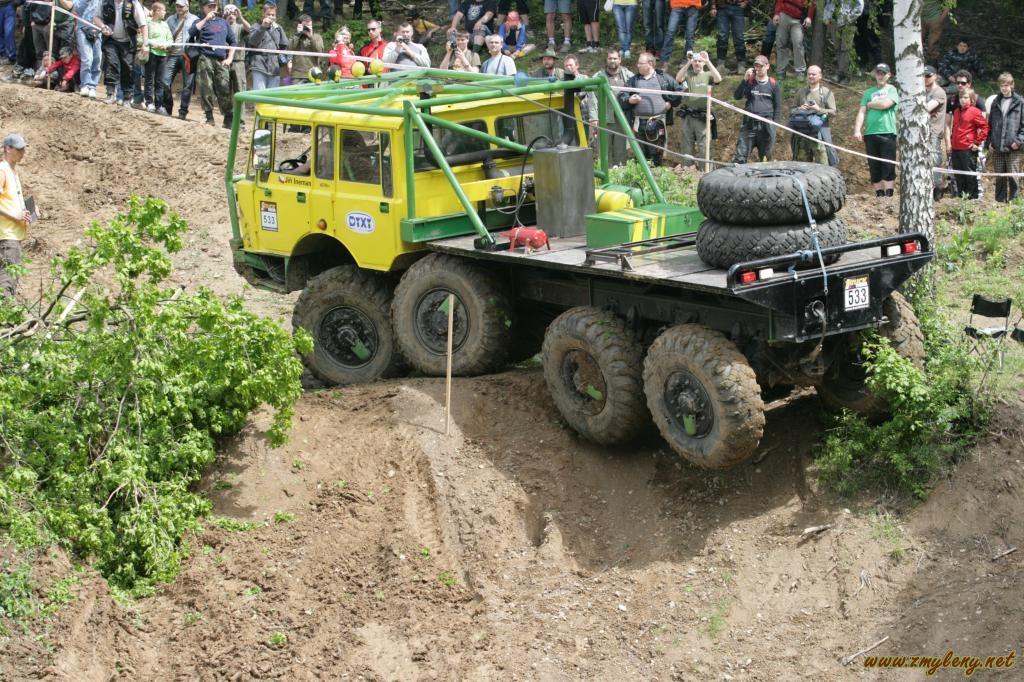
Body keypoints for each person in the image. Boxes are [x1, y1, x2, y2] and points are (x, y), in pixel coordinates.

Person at [618, 52, 680, 166]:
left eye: (640, 63)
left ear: (650, 63)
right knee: (640, 155)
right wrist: (629, 100)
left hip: (658, 122)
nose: (637, 65)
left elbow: (679, 91)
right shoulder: (634, 80)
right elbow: (622, 96)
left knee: (657, 154)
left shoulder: (663, 78)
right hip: (638, 123)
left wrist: (670, 103)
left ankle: (656, 176)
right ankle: (641, 176)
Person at [853, 63, 898, 198]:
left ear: (888, 75)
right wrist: (857, 130)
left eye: (883, 73)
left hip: (888, 132)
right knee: (874, 164)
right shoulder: (868, 92)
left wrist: (870, 104)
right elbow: (861, 112)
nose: (880, 76)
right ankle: (879, 194)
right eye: (878, 73)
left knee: (888, 163)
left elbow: (885, 104)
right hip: (870, 133)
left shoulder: (892, 89)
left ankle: (889, 194)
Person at [189, 0, 236, 127]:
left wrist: (230, 58)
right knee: (206, 87)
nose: (212, 8)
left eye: (214, 6)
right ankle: (209, 117)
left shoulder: (223, 22)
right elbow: (191, 32)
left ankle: (228, 119)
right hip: (205, 57)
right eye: (209, 6)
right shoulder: (199, 21)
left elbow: (233, 41)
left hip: (221, 59)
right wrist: (206, 19)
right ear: (204, 7)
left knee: (224, 87)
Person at [97, 0, 149, 107]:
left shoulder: (133, 3)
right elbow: (96, 17)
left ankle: (127, 98)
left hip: (128, 41)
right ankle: (110, 94)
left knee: (128, 69)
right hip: (110, 40)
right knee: (111, 64)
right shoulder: (105, 2)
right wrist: (103, 26)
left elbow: (143, 25)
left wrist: (145, 44)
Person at [675, 50, 721, 170]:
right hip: (688, 115)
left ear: (703, 63)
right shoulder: (688, 75)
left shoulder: (708, 75)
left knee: (704, 145)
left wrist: (708, 61)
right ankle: (687, 169)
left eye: (699, 61)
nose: (697, 63)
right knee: (687, 143)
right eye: (695, 61)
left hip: (702, 115)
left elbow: (718, 79)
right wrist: (688, 62)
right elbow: (678, 78)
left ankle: (706, 170)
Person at [0, 134, 33, 299]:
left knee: (11, 280)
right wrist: (15, 215)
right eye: (19, 149)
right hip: (7, 237)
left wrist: (30, 210)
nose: (23, 153)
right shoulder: (2, 170)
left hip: (13, 236)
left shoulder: (13, 172)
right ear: (8, 149)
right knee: (7, 282)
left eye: (23, 149)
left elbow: (9, 201)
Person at [984, 73, 1024, 203]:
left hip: (1014, 148)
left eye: (1006, 85)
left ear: (1012, 85)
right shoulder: (995, 102)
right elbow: (990, 124)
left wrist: (1018, 141)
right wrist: (989, 142)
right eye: (1002, 85)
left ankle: (1014, 203)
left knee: (1013, 177)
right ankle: (1000, 203)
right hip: (997, 147)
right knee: (1000, 177)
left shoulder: (1020, 102)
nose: (1004, 88)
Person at [733, 55, 781, 163]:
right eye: (756, 66)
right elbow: (737, 96)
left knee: (766, 158)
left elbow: (778, 107)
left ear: (767, 66)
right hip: (749, 124)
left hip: (766, 125)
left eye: (761, 66)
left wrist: (774, 125)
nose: (758, 69)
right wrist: (744, 79)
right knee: (740, 157)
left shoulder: (773, 84)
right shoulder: (750, 82)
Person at [789, 65, 836, 165]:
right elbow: (792, 110)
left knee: (823, 165)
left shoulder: (826, 92)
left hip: (820, 133)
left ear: (820, 76)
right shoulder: (801, 92)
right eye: (809, 74)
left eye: (813, 74)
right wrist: (800, 109)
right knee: (802, 165)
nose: (811, 76)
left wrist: (818, 109)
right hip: (802, 134)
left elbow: (833, 112)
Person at [949, 87, 989, 200]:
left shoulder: (974, 111)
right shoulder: (956, 111)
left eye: (966, 97)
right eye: (961, 97)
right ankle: (962, 197)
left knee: (969, 175)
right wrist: (951, 143)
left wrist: (977, 142)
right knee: (958, 175)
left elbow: (985, 127)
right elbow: (954, 128)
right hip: (956, 148)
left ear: (971, 99)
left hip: (967, 148)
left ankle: (973, 198)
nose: (963, 100)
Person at [161, 0, 198, 118]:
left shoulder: (195, 19)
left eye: (181, 6)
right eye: (177, 6)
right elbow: (163, 33)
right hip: (172, 54)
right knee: (165, 81)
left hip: (189, 56)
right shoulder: (170, 19)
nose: (179, 8)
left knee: (188, 85)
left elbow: (200, 37)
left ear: (187, 6)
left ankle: (183, 111)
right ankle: (168, 107)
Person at [602, 49, 634, 166]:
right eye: (610, 58)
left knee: (621, 151)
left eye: (615, 58)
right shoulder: (599, 76)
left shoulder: (629, 76)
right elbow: (592, 99)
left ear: (620, 60)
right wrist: (594, 118)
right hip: (605, 118)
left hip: (622, 118)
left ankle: (620, 173)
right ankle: (606, 173)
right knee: (605, 151)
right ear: (606, 60)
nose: (612, 61)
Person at [246, 3, 287, 90]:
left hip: (274, 67)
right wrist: (263, 27)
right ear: (263, 14)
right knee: (260, 94)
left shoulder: (278, 28)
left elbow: (285, 45)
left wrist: (287, 59)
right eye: (268, 14)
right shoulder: (255, 26)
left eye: (273, 15)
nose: (271, 17)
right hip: (259, 65)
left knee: (272, 96)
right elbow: (252, 42)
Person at [822, 0, 861, 84]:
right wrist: (826, 17)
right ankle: (839, 73)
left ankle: (845, 75)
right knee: (837, 48)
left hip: (848, 23)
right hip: (833, 21)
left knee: (845, 49)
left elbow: (859, 6)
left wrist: (849, 18)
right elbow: (828, 3)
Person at [924, 65, 948, 200]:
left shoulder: (939, 92)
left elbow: (926, 108)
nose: (925, 78)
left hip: (934, 132)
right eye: (923, 76)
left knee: (934, 162)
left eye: (928, 76)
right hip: (922, 132)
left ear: (935, 76)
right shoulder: (921, 92)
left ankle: (937, 192)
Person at [773, 0, 813, 79]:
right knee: (781, 44)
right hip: (784, 14)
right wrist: (777, 13)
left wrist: (809, 17)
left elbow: (812, 3)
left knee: (798, 44)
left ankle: (800, 72)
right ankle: (781, 71)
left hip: (799, 18)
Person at [144, 1, 172, 112]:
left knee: (160, 81)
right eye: (164, 10)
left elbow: (170, 40)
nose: (165, 12)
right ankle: (149, 102)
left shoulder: (165, 25)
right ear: (157, 11)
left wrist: (166, 45)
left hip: (163, 55)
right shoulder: (147, 23)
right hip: (151, 54)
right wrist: (154, 43)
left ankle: (159, 105)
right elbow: (142, 38)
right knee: (149, 79)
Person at [73, 0, 103, 98]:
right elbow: (76, 7)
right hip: (82, 29)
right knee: (87, 59)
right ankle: (85, 85)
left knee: (97, 60)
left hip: (97, 30)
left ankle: (92, 86)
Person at [223, 4, 248, 115]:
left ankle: (240, 120)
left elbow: (249, 29)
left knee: (240, 91)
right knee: (225, 91)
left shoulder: (240, 27)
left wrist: (241, 16)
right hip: (224, 62)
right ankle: (228, 119)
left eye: (233, 14)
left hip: (238, 62)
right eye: (229, 14)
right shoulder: (222, 27)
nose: (231, 16)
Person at [564, 54, 596, 140]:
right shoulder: (563, 81)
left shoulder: (584, 78)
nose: (568, 67)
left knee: (585, 143)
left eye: (570, 65)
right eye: (566, 66)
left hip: (584, 119)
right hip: (569, 120)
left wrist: (593, 118)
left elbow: (592, 99)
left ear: (577, 65)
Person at [709, 0, 745, 74]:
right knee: (722, 36)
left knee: (739, 37)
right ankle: (720, 63)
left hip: (738, 6)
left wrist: (746, 2)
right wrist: (713, 6)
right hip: (722, 7)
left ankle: (741, 63)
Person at [289, 14, 324, 84]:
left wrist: (311, 37)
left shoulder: (317, 37)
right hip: (298, 74)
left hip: (314, 73)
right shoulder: (295, 36)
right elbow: (290, 48)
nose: (307, 28)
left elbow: (319, 51)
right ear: (300, 25)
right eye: (305, 26)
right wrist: (298, 34)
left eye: (310, 26)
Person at [662, 0, 700, 65]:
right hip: (677, 4)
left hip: (693, 4)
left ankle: (688, 60)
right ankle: (664, 61)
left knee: (690, 34)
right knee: (670, 32)